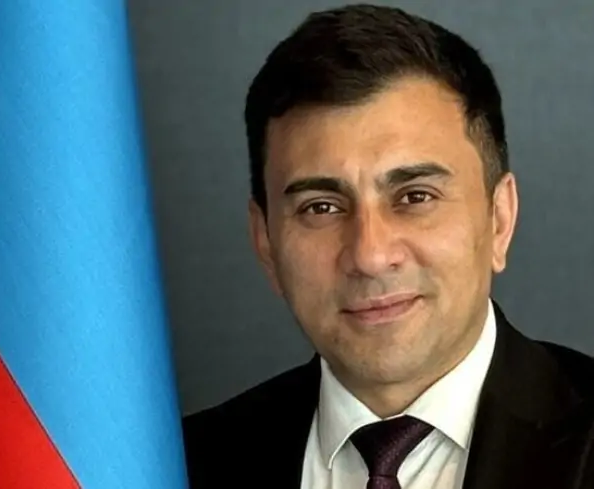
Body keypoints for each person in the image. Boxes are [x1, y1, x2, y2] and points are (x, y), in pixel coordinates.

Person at [181, 4, 594, 488]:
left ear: (499, 219)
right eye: (321, 207)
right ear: (266, 242)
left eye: (415, 197)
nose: (371, 256)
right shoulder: (175, 466)